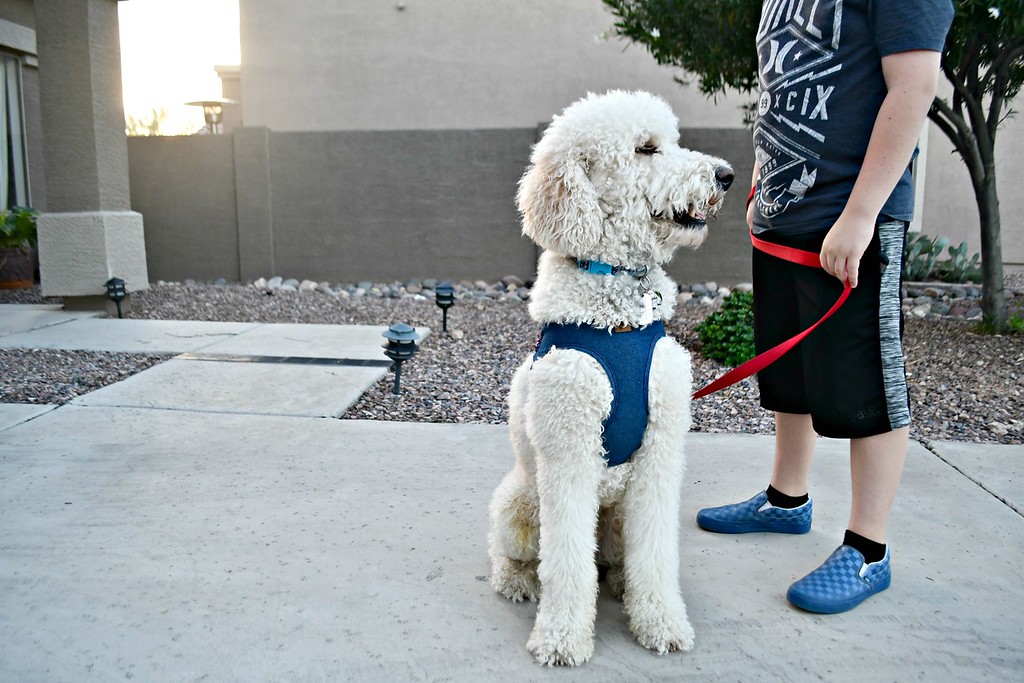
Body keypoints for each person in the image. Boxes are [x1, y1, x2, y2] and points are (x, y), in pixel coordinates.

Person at [696, 0, 955, 614]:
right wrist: (764, 177)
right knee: (791, 373)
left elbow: (914, 87)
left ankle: (869, 550)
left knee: (866, 381)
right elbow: (781, 87)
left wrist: (862, 214)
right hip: (785, 214)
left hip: (849, 218)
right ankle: (788, 501)